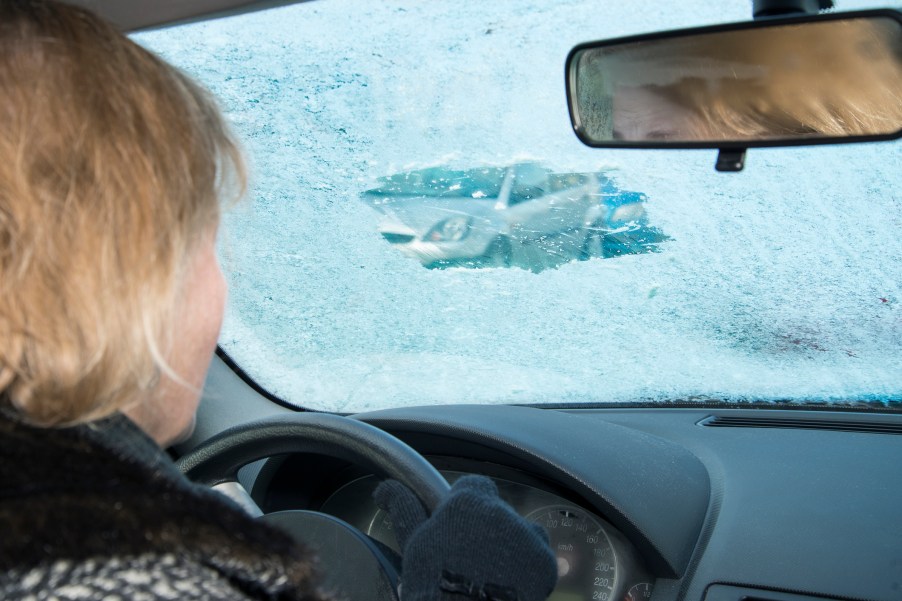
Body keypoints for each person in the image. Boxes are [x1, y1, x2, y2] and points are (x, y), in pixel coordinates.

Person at [0, 2, 558, 599]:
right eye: (207, 246)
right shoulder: (124, 567)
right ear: (129, 275)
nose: (222, 284)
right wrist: (465, 590)